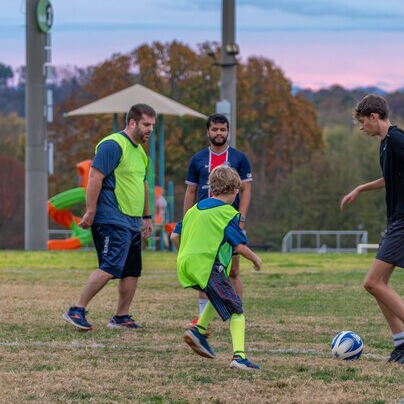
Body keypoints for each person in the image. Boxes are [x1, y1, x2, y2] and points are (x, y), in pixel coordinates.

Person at [340, 94, 404, 364]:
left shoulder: (395, 138)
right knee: (378, 284)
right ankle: (400, 342)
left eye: (362, 122)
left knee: (371, 282)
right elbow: (390, 178)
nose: (361, 128)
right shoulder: (385, 144)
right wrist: (361, 188)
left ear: (374, 116)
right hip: (396, 220)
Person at [63, 103, 156, 331]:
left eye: (152, 125)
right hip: (112, 217)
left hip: (133, 221)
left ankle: (121, 317)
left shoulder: (140, 153)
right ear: (132, 122)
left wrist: (147, 216)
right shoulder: (113, 145)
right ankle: (77, 309)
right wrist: (91, 211)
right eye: (146, 124)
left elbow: (142, 184)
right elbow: (95, 177)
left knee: (132, 271)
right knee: (111, 266)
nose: (150, 129)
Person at [172, 165, 263, 370]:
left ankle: (199, 330)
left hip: (186, 266)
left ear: (211, 190)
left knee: (218, 294)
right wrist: (256, 259)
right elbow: (239, 245)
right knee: (237, 310)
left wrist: (187, 253)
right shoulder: (227, 213)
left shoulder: (193, 210)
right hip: (208, 267)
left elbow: (174, 236)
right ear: (234, 190)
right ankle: (239, 357)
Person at [182, 114, 252, 324]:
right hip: (205, 224)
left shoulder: (239, 158)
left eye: (222, 129)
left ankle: (236, 312)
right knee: (206, 270)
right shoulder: (198, 159)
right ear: (208, 132)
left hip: (230, 222)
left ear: (228, 131)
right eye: (215, 129)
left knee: (234, 270)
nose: (218, 133)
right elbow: (190, 192)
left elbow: (246, 190)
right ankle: (204, 318)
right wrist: (186, 221)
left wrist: (241, 219)